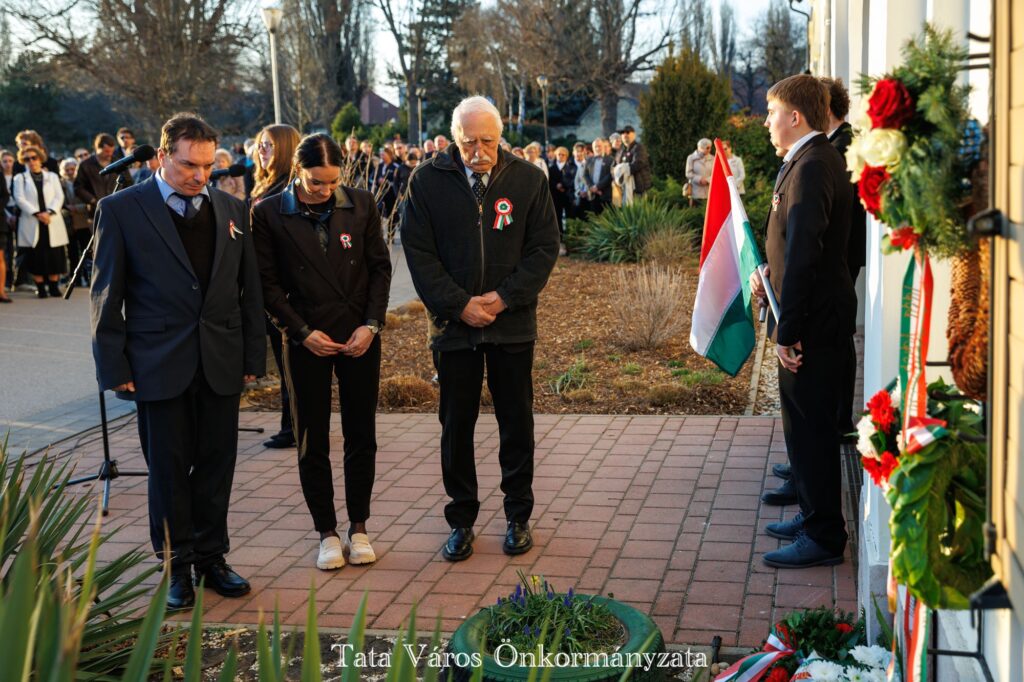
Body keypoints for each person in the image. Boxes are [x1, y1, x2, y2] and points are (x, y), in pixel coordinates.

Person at [90, 112, 266, 609]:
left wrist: (254, 354)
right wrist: (114, 367)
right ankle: (177, 567)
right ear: (163, 156)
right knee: (167, 472)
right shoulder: (121, 209)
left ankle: (212, 558)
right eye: (190, 165)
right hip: (156, 363)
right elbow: (106, 294)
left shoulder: (233, 208)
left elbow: (249, 289)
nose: (200, 175)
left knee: (216, 467)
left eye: (208, 166)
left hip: (220, 360)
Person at [401, 96, 560, 562]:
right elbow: (419, 253)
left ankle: (518, 516)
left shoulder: (528, 179)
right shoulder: (426, 181)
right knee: (456, 425)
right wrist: (459, 305)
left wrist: (504, 297)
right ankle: (461, 520)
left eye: (488, 141)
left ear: (500, 136)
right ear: (454, 138)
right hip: (453, 329)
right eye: (469, 142)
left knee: (516, 421)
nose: (479, 151)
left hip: (512, 325)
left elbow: (544, 247)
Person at [253, 133, 392, 570]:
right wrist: (300, 331)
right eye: (316, 182)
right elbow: (266, 284)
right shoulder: (268, 213)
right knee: (311, 437)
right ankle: (327, 532)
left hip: (359, 336)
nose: (325, 190)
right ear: (298, 171)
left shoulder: (362, 204)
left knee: (361, 434)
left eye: (333, 181)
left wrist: (371, 324)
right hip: (305, 337)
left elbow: (380, 268)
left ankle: (360, 527)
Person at [750, 74, 855, 569]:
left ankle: (823, 535)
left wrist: (787, 331)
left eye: (772, 113)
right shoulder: (806, 159)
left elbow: (807, 255)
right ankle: (813, 514)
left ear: (795, 117)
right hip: (808, 316)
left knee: (812, 428)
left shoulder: (813, 165)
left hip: (813, 323)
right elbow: (793, 242)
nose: (766, 122)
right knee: (802, 426)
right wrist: (769, 271)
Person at [251, 124, 302, 450]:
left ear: (285, 148)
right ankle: (291, 423)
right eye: (260, 145)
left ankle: (294, 426)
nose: (262, 150)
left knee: (290, 364)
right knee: (285, 363)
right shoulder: (265, 182)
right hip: (265, 284)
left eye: (268, 145)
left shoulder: (288, 188)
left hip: (283, 288)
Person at [821, 76, 866, 444]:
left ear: (825, 108)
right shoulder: (840, 143)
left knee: (837, 337)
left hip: (842, 254)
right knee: (839, 336)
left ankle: (838, 421)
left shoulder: (841, 147)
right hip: (844, 252)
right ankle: (838, 419)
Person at [13, 145, 68, 298]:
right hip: (32, 220)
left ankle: (53, 286)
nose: (31, 161)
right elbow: (19, 198)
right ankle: (41, 288)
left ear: (40, 159)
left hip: (51, 220)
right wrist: (37, 213)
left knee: (54, 254)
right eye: (27, 159)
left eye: (34, 158)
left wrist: (49, 212)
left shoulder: (52, 176)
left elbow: (59, 196)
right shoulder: (20, 178)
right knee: (35, 255)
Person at [59, 158, 91, 286]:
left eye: (72, 169)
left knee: (86, 251)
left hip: (83, 221)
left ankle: (88, 278)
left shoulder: (83, 182)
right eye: (67, 169)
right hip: (68, 222)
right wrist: (67, 208)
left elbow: (90, 200)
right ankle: (75, 280)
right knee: (72, 253)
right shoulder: (60, 183)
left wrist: (77, 208)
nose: (70, 172)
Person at [548, 146, 576, 238]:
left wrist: (563, 185)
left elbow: (573, 180)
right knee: (557, 215)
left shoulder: (571, 167)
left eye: (563, 155)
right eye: (559, 154)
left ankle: (570, 235)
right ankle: (559, 235)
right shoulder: (551, 168)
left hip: (567, 195)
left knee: (569, 215)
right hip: (556, 195)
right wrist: (556, 185)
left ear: (567, 156)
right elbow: (549, 181)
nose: (561, 156)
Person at [618, 125, 651, 196]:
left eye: (627, 132)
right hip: (625, 188)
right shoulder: (621, 150)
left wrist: (622, 171)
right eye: (622, 133)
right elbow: (615, 165)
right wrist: (616, 173)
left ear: (634, 134)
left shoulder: (639, 147)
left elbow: (638, 163)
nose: (625, 135)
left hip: (639, 188)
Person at [584, 138, 613, 214]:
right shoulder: (589, 160)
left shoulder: (610, 160)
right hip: (592, 195)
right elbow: (585, 175)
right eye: (595, 146)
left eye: (599, 146)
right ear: (593, 148)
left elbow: (610, 175)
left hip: (605, 195)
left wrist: (598, 187)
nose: (597, 148)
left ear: (603, 147)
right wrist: (591, 187)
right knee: (594, 217)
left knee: (606, 218)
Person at [685, 138, 714, 202]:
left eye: (709, 148)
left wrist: (708, 180)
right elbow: (688, 173)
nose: (707, 150)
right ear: (699, 147)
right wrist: (699, 179)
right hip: (695, 191)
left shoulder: (713, 159)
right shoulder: (691, 158)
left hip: (709, 191)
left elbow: (716, 173)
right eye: (706, 148)